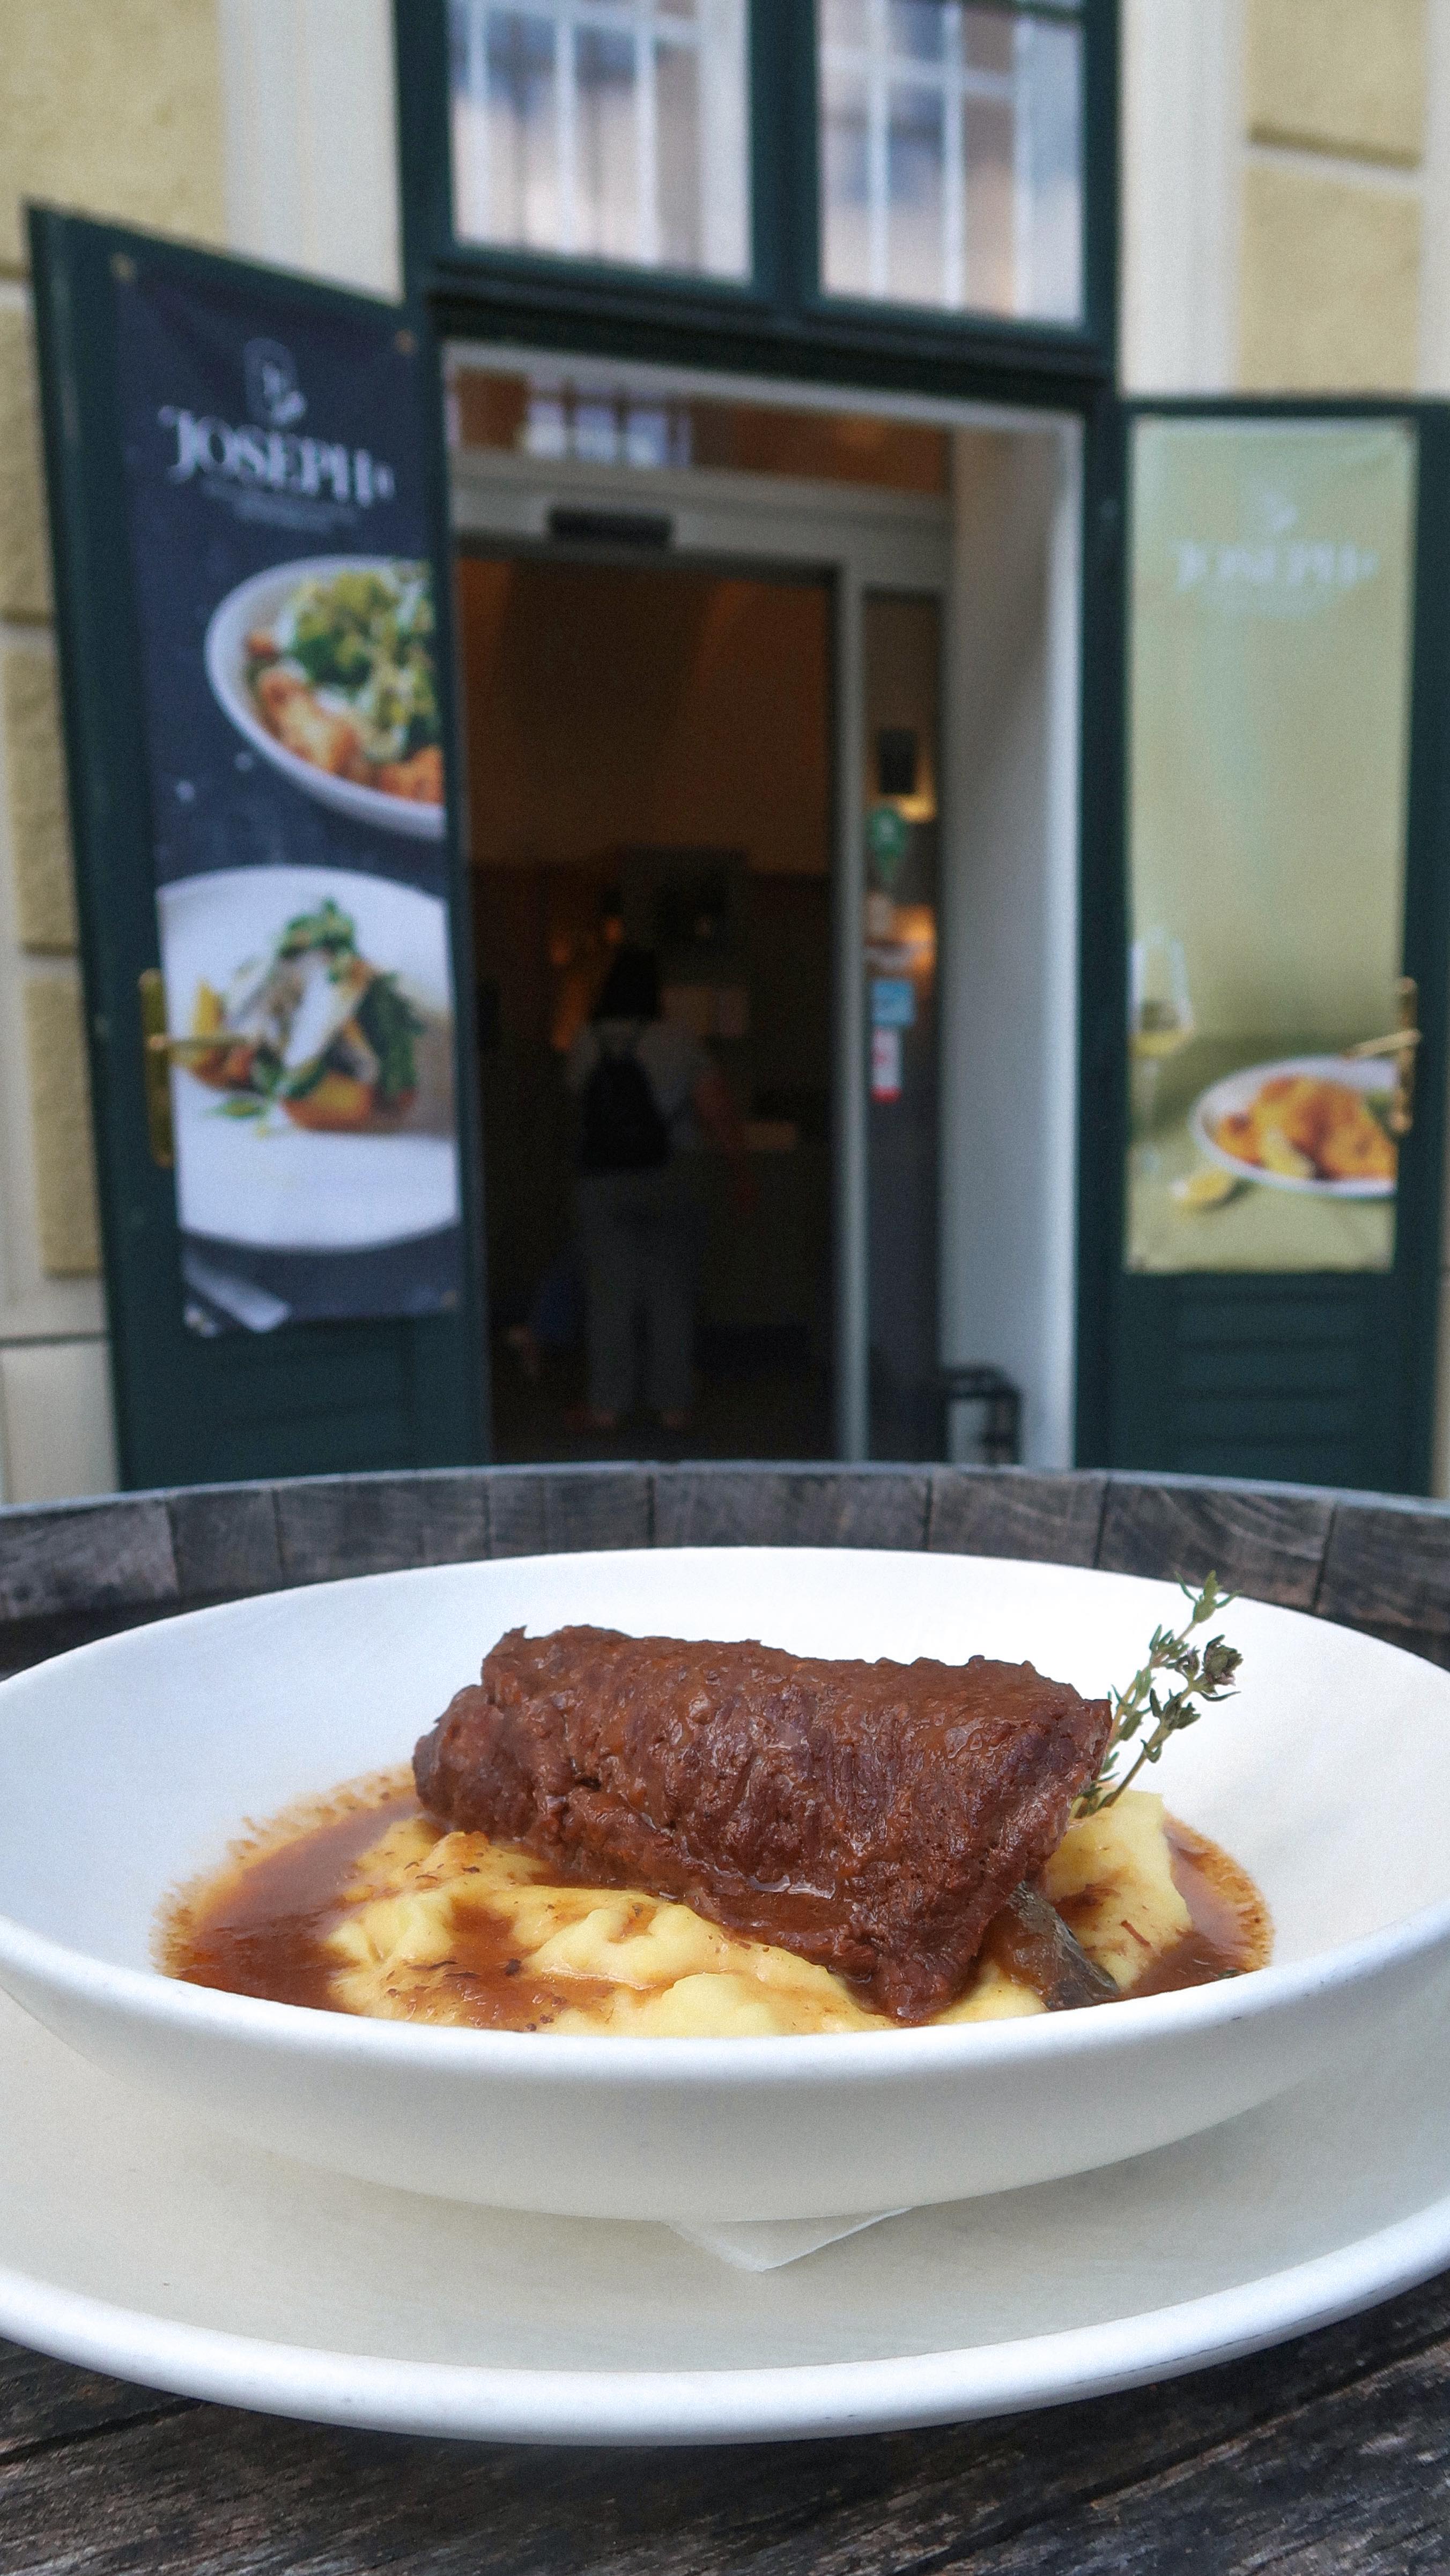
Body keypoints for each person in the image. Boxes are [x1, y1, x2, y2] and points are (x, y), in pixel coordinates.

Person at [566, 945, 754, 1433]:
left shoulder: (585, 1040)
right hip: (672, 1176)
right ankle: (673, 1407)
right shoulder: (679, 1041)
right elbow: (715, 1110)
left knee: (609, 1295)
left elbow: (576, 1110)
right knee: (671, 1293)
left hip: (602, 1181)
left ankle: (607, 1405)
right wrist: (741, 1170)